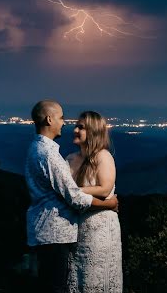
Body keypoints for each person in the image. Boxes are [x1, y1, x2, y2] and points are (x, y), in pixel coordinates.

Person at [25, 100, 118, 293]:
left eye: (80, 127)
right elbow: (72, 195)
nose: (66, 124)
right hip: (55, 232)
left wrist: (72, 191)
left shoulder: (39, 149)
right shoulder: (52, 155)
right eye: (61, 118)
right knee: (57, 286)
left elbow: (82, 190)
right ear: (49, 119)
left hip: (70, 229)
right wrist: (109, 204)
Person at [66, 111, 123, 293]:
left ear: (93, 131)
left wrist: (73, 192)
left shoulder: (103, 156)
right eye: (76, 126)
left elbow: (105, 189)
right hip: (77, 228)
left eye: (81, 127)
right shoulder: (70, 159)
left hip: (100, 229)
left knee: (97, 276)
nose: (75, 130)